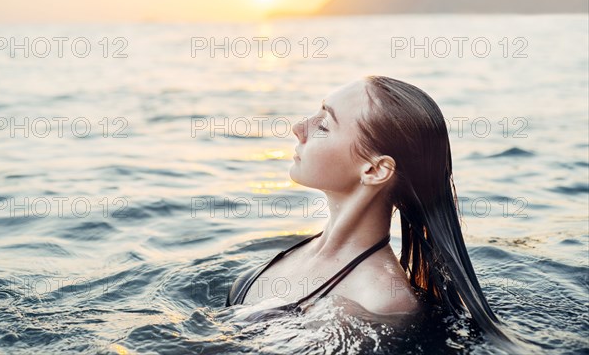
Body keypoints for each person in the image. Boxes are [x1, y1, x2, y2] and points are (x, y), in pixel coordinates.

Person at [226, 76, 530, 352]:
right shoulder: (294, 252)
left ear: (374, 170)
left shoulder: (379, 300)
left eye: (323, 125)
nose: (298, 127)